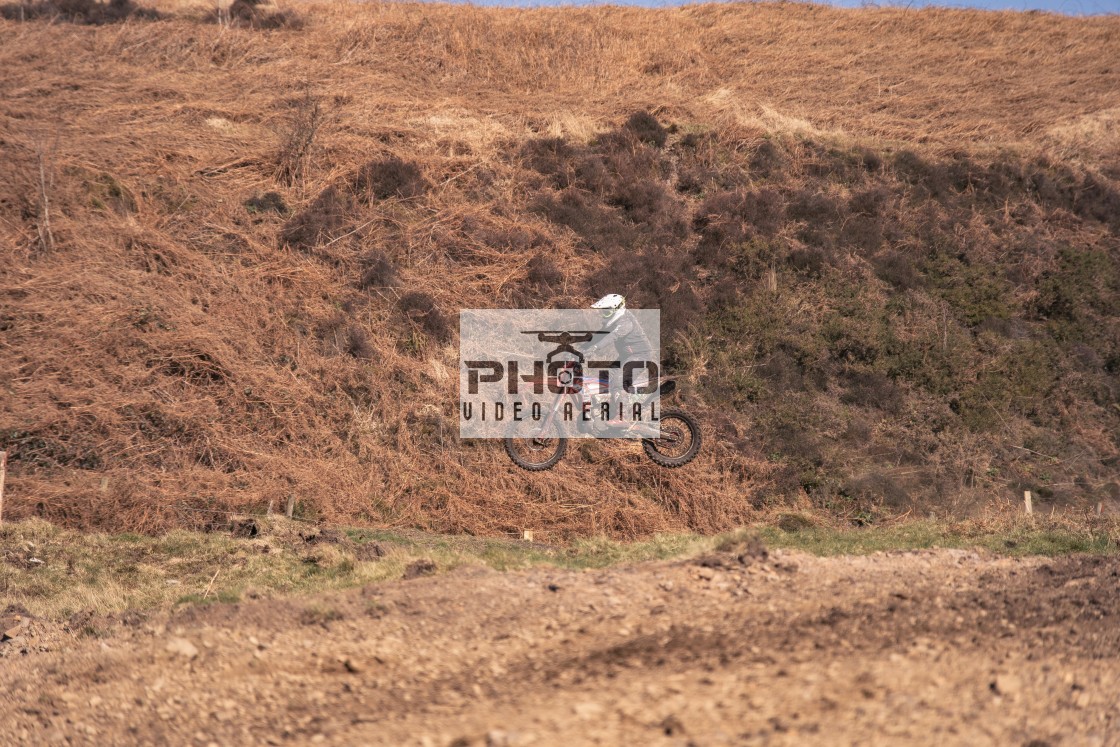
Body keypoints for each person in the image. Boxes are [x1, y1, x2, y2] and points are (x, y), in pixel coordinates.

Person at [586, 294, 656, 429]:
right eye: (603, 311)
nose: (604, 313)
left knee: (619, 380)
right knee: (604, 378)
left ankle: (621, 416)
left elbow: (612, 337)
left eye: (607, 311)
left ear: (617, 309)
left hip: (641, 356)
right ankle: (607, 411)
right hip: (626, 356)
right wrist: (576, 351)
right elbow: (597, 337)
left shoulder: (625, 322)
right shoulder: (613, 322)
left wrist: (595, 348)